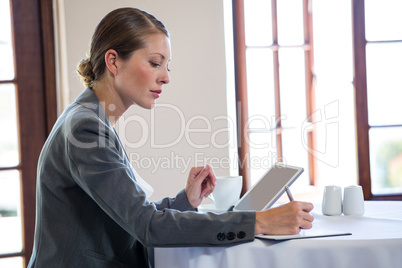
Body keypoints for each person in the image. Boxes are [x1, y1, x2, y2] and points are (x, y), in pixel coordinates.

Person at [27, 7, 314, 267]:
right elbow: (149, 227)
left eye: (167, 66)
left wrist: (185, 202)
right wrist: (259, 221)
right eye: (155, 63)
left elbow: (132, 216)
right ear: (113, 61)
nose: (165, 77)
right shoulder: (85, 129)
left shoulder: (92, 120)